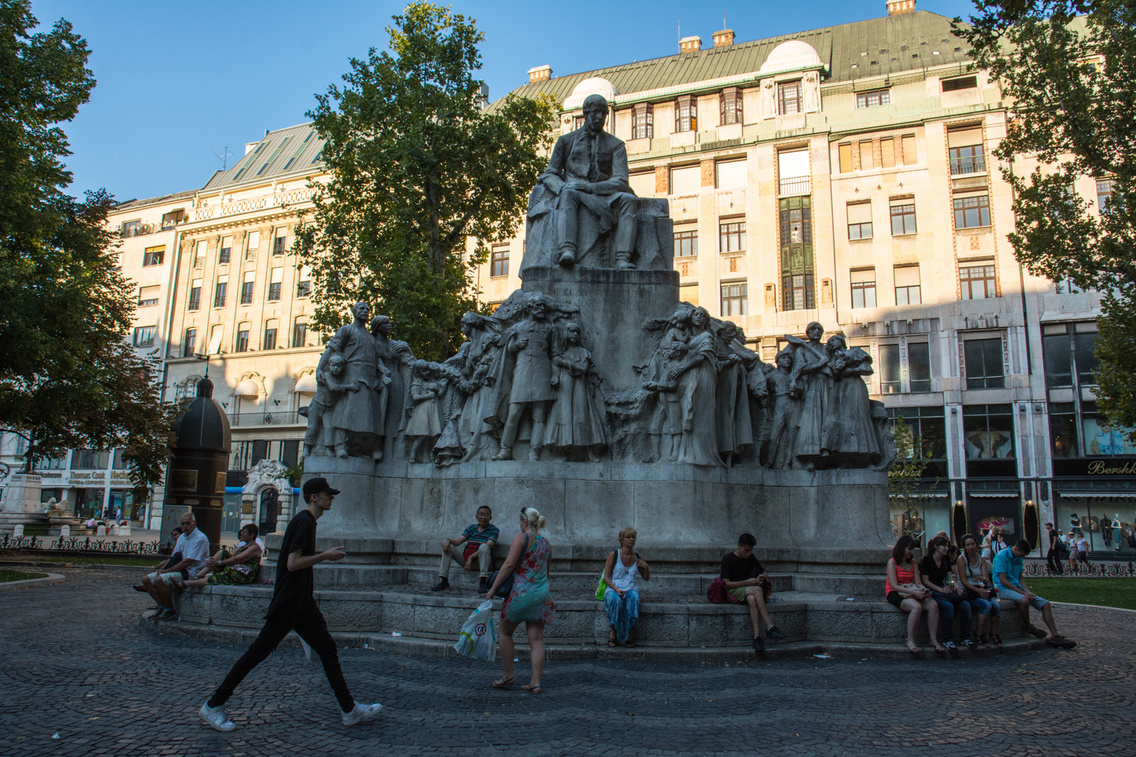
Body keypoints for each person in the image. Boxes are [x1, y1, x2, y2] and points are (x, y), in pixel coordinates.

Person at [198, 478, 383, 732]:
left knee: (326, 650)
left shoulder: (306, 522)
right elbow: (293, 563)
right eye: (327, 494)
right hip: (291, 603)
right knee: (257, 654)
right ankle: (213, 704)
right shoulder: (304, 521)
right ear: (314, 497)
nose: (332, 497)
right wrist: (325, 556)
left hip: (299, 603)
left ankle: (349, 709)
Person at [531, 93, 638, 270]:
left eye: (603, 113)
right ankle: (567, 251)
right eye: (595, 112)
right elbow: (550, 173)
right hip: (573, 191)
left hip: (604, 194)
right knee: (568, 194)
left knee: (629, 200)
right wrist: (563, 187)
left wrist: (592, 188)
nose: (599, 117)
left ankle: (622, 259)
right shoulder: (565, 141)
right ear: (586, 113)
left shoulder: (616, 145)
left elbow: (621, 180)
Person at [487, 507, 556, 694]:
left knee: (505, 632)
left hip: (521, 593)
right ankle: (536, 682)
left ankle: (508, 675)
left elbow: (509, 565)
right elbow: (546, 572)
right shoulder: (547, 543)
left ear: (524, 522)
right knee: (536, 639)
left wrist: (493, 588)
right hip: (541, 594)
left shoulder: (521, 538)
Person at [992, 539, 1076, 649]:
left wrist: (1027, 591)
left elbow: (1020, 578)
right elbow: (1003, 581)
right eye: (1022, 554)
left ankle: (1055, 635)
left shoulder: (1018, 557)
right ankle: (1028, 627)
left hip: (1016, 587)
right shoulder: (1001, 556)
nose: (1022, 557)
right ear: (1016, 548)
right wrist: (1023, 594)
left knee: (1045, 604)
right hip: (1003, 589)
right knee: (1024, 600)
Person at [720, 533, 786, 654]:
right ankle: (770, 627)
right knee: (757, 590)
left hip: (747, 591)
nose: (748, 554)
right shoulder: (728, 559)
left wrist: (761, 576)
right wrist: (747, 582)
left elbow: (764, 572)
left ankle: (756, 638)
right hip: (732, 591)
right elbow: (726, 584)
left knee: (752, 599)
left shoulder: (751, 557)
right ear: (739, 546)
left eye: (750, 551)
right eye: (746, 551)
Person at [140, 512, 210, 620]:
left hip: (191, 572)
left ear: (194, 523)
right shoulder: (182, 537)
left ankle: (169, 609)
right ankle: (161, 606)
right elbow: (174, 557)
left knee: (161, 580)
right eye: (183, 524)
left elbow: (187, 562)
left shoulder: (200, 538)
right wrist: (162, 569)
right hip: (180, 569)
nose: (185, 526)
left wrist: (166, 571)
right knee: (146, 579)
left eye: (188, 523)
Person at [885, 534, 940, 654]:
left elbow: (918, 582)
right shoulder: (892, 562)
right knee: (916, 607)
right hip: (895, 592)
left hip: (911, 590)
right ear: (902, 548)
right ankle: (910, 640)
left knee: (933, 605)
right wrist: (913, 592)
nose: (911, 552)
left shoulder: (914, 563)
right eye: (909, 549)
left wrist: (923, 590)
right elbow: (894, 585)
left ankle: (933, 639)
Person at [920, 535, 973, 651]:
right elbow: (925, 581)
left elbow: (950, 578)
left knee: (966, 605)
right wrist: (939, 589)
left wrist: (955, 586)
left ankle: (965, 637)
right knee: (948, 607)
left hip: (946, 591)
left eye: (947, 546)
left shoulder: (945, 560)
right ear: (936, 547)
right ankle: (947, 639)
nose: (946, 548)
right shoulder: (927, 560)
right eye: (944, 546)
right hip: (934, 592)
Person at [432, 505, 500, 593]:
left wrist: (471, 558)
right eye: (481, 514)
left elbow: (489, 544)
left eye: (486, 515)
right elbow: (458, 541)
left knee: (484, 546)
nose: (483, 517)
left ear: (490, 517)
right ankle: (443, 580)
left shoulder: (494, 530)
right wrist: (448, 541)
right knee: (449, 547)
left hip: (482, 562)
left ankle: (483, 581)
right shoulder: (471, 528)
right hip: (467, 561)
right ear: (476, 516)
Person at [602, 527, 650, 647]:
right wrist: (616, 589)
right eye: (628, 537)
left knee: (634, 599)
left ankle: (630, 633)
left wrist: (646, 567)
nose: (631, 539)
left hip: (630, 587)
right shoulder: (614, 554)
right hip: (614, 587)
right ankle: (613, 631)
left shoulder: (637, 556)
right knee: (615, 600)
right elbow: (606, 577)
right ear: (622, 540)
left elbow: (646, 577)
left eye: (633, 537)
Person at [956, 533, 1002, 648]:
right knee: (986, 605)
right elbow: (963, 580)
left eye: (972, 544)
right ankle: (979, 633)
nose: (971, 547)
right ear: (964, 547)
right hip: (969, 591)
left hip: (981, 589)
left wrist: (984, 581)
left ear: (976, 545)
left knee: (996, 606)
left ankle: (994, 633)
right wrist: (978, 591)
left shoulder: (981, 560)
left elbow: (985, 578)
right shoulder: (962, 559)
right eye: (968, 545)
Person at [183, 524, 263, 588]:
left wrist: (218, 563)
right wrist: (213, 561)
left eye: (245, 532)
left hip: (242, 574)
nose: (241, 534)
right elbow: (231, 556)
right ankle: (199, 575)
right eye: (242, 531)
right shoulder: (242, 546)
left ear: (252, 535)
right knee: (222, 552)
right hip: (233, 569)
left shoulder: (254, 548)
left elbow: (237, 559)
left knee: (219, 577)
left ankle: (187, 583)